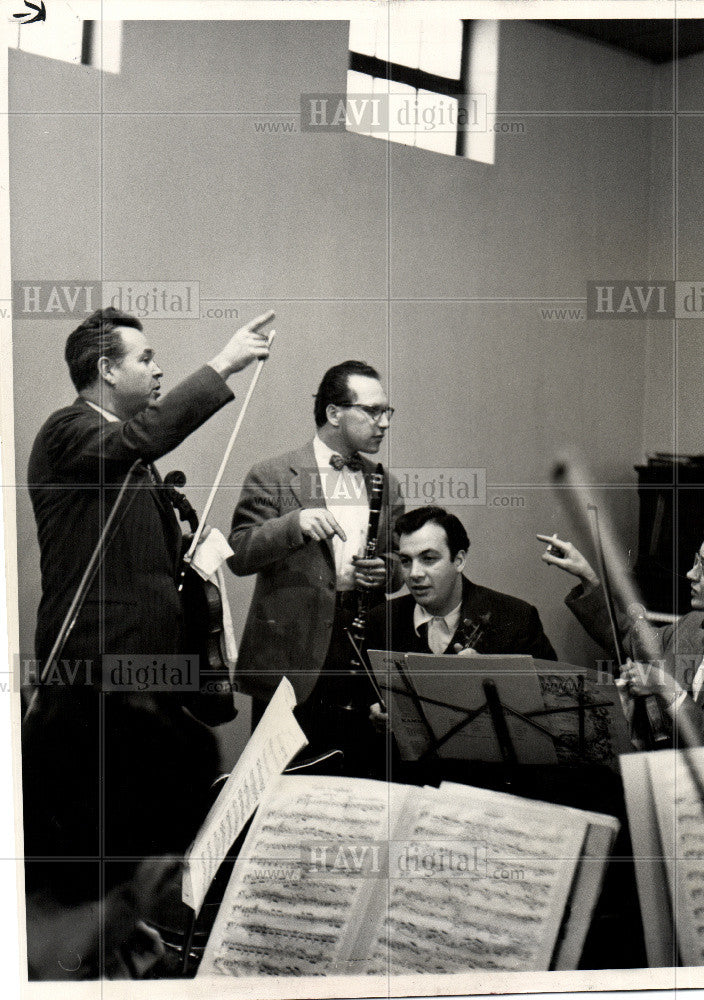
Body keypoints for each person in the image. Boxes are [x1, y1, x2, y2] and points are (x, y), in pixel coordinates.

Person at [23, 305, 275, 967]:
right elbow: (141, 439)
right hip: (96, 683)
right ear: (106, 370)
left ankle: (135, 944)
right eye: (145, 358)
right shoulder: (70, 431)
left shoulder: (130, 457)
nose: (158, 368)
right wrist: (224, 366)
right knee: (97, 846)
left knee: (142, 840)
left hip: (143, 682)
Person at [228, 360, 404, 771]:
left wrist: (387, 570)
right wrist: (294, 524)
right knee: (280, 780)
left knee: (356, 775)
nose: (384, 423)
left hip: (360, 647)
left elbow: (399, 559)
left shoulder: (385, 482)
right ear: (333, 413)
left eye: (386, 412)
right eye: (373, 411)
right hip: (291, 654)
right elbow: (238, 554)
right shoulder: (271, 473)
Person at [537, 515, 704, 746]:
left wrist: (667, 688)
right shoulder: (693, 623)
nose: (690, 574)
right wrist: (588, 577)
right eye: (696, 562)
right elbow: (629, 637)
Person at [368, 506, 557, 658]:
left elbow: (551, 700)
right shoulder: (380, 620)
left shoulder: (517, 619)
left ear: (459, 561)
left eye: (429, 559)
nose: (414, 574)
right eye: (406, 561)